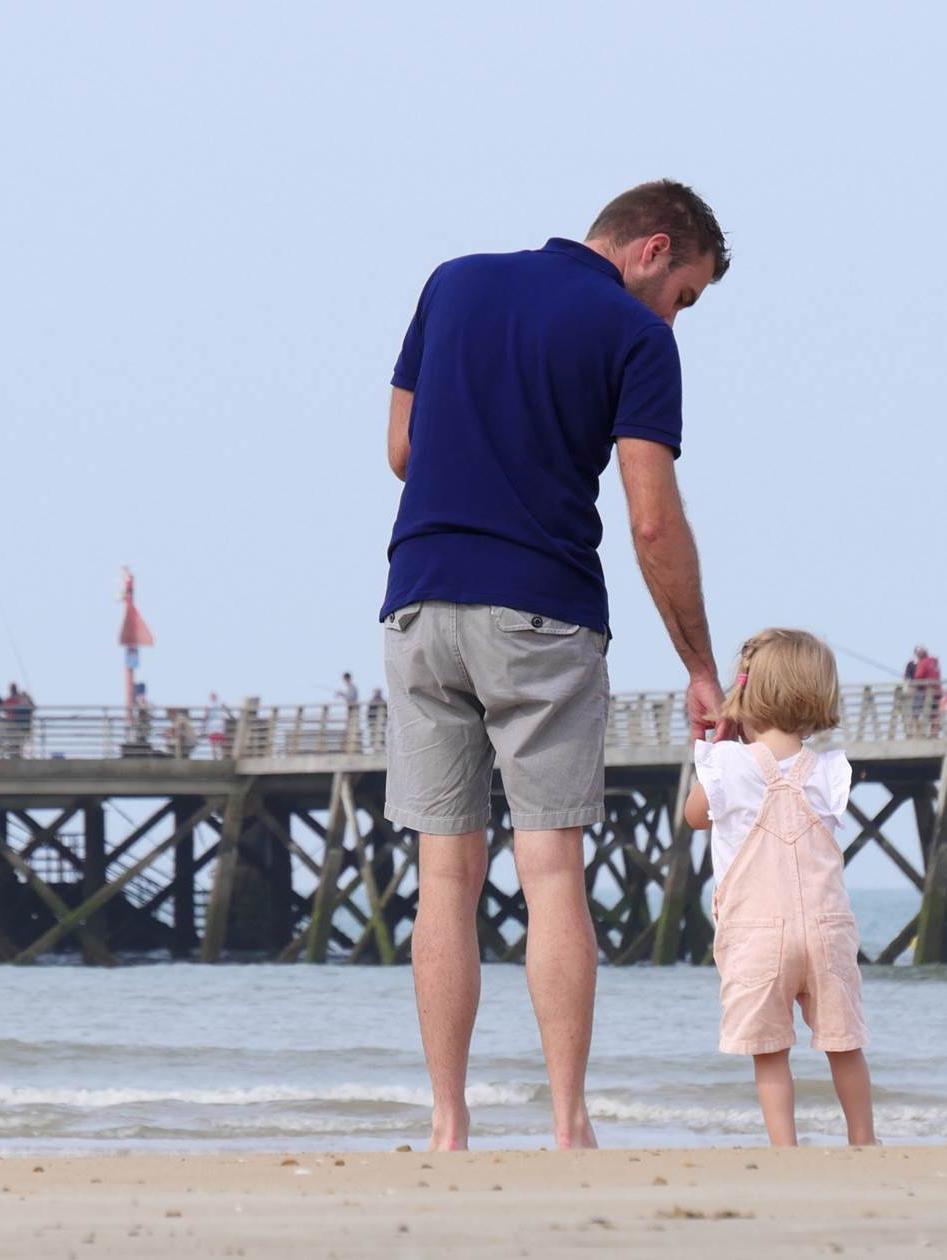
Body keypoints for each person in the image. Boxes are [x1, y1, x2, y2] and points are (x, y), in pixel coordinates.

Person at [382, 180, 730, 1151]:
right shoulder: (633, 335)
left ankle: (449, 1129)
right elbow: (652, 517)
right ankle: (569, 1126)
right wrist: (700, 665)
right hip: (541, 610)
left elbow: (404, 448)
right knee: (550, 871)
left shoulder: (451, 284)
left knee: (443, 874)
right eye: (686, 296)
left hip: (418, 598)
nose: (677, 319)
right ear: (653, 251)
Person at [684, 630, 874, 1146]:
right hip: (827, 929)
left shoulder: (726, 764)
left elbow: (694, 816)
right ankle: (863, 1138)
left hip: (756, 934)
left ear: (743, 693)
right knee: (844, 1043)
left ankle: (785, 1147)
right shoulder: (832, 770)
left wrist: (715, 747)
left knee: (770, 1052)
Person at [203, 692, 227, 758]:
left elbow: (205, 714)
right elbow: (206, 714)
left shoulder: (210, 704)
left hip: (217, 723)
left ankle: (219, 756)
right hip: (214, 723)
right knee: (214, 741)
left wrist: (204, 722)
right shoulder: (210, 704)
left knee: (218, 741)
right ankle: (216, 756)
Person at [366, 687, 387, 752]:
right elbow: (369, 713)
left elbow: (386, 713)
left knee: (381, 735)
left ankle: (380, 748)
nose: (377, 693)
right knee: (373, 735)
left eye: (378, 692)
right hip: (373, 722)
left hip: (380, 722)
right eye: (376, 692)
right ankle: (374, 748)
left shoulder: (383, 702)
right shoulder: (371, 701)